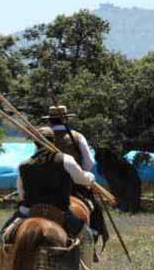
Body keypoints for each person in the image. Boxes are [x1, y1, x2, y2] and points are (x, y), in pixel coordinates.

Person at [0, 141, 103, 270]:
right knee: (88, 238)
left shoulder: (24, 164)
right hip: (59, 210)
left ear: (36, 144)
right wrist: (90, 177)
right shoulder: (66, 160)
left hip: (31, 210)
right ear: (53, 142)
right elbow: (82, 179)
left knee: (3, 235)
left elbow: (21, 194)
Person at [38, 105, 109, 248]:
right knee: (94, 208)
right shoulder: (77, 136)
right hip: (74, 184)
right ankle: (93, 237)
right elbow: (89, 162)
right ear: (65, 119)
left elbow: (38, 160)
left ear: (50, 120)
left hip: (47, 185)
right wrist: (80, 174)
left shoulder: (42, 137)